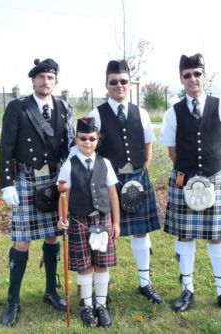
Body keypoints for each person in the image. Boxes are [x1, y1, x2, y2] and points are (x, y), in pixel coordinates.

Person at [159, 53, 221, 318]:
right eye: (187, 75)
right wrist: (190, 173)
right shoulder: (173, 112)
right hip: (184, 179)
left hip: (214, 177)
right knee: (185, 234)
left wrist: (215, 170)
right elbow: (172, 150)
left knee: (216, 235)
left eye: (197, 74)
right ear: (181, 79)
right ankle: (187, 289)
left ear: (204, 76)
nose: (192, 79)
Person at [0, 58, 74, 326]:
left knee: (53, 237)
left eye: (50, 77)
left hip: (53, 183)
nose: (45, 82)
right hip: (27, 181)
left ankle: (50, 292)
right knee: (21, 241)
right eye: (41, 77)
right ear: (33, 81)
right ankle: (13, 299)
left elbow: (67, 147)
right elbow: (6, 147)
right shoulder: (18, 108)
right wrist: (7, 183)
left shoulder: (63, 108)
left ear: (55, 81)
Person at [87, 59, 162, 304]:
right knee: (106, 233)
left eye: (123, 81)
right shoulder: (96, 114)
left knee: (140, 232)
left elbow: (148, 145)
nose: (119, 85)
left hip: (137, 178)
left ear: (130, 84)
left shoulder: (141, 112)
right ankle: (102, 287)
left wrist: (139, 174)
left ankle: (145, 283)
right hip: (109, 181)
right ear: (106, 85)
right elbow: (88, 148)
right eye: (114, 82)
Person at [57, 117, 121, 327]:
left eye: (91, 139)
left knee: (101, 265)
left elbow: (113, 194)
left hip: (102, 220)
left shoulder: (105, 163)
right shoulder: (69, 165)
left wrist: (117, 223)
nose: (87, 142)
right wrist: (62, 218)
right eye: (82, 138)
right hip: (78, 221)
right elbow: (63, 195)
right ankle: (86, 305)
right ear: (76, 139)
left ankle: (100, 305)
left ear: (97, 139)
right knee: (85, 266)